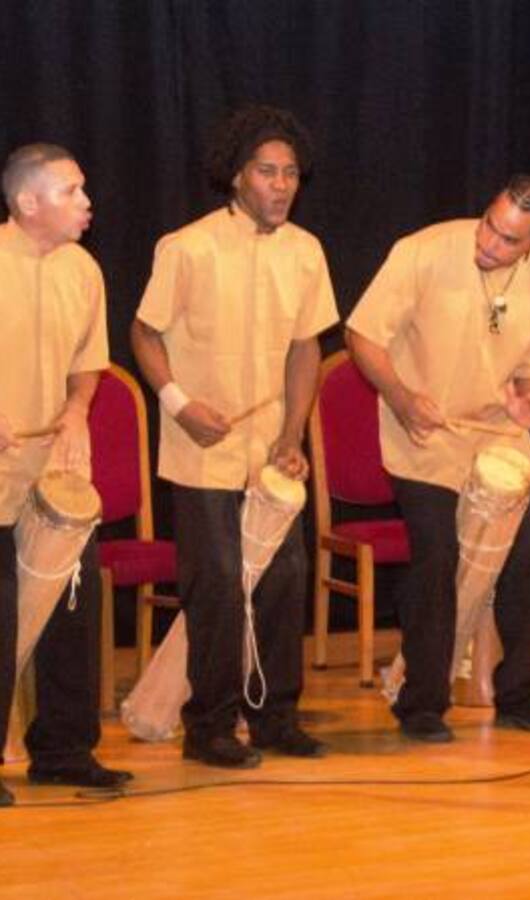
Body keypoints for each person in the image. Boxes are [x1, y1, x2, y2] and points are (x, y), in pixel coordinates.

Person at [131, 105, 338, 768]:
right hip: (202, 447)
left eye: (290, 174)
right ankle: (209, 726)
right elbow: (144, 333)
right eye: (267, 172)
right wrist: (179, 402)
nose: (282, 185)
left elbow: (306, 346)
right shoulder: (187, 246)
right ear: (236, 177)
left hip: (269, 448)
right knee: (217, 583)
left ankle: (276, 716)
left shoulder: (306, 252)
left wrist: (292, 432)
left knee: (286, 577)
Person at [346, 174, 530, 742]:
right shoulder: (422, 251)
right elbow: (362, 335)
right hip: (424, 430)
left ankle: (522, 691)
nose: (490, 243)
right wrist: (400, 397)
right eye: (489, 226)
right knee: (437, 557)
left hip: (497, 434)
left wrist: (528, 404)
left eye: (509, 239)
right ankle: (422, 702)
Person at [0, 143, 132, 803]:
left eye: (83, 190)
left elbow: (90, 359)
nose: (88, 203)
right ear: (28, 202)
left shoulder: (82, 269)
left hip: (52, 469)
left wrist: (79, 408)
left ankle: (64, 749)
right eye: (71, 191)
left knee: (72, 613)